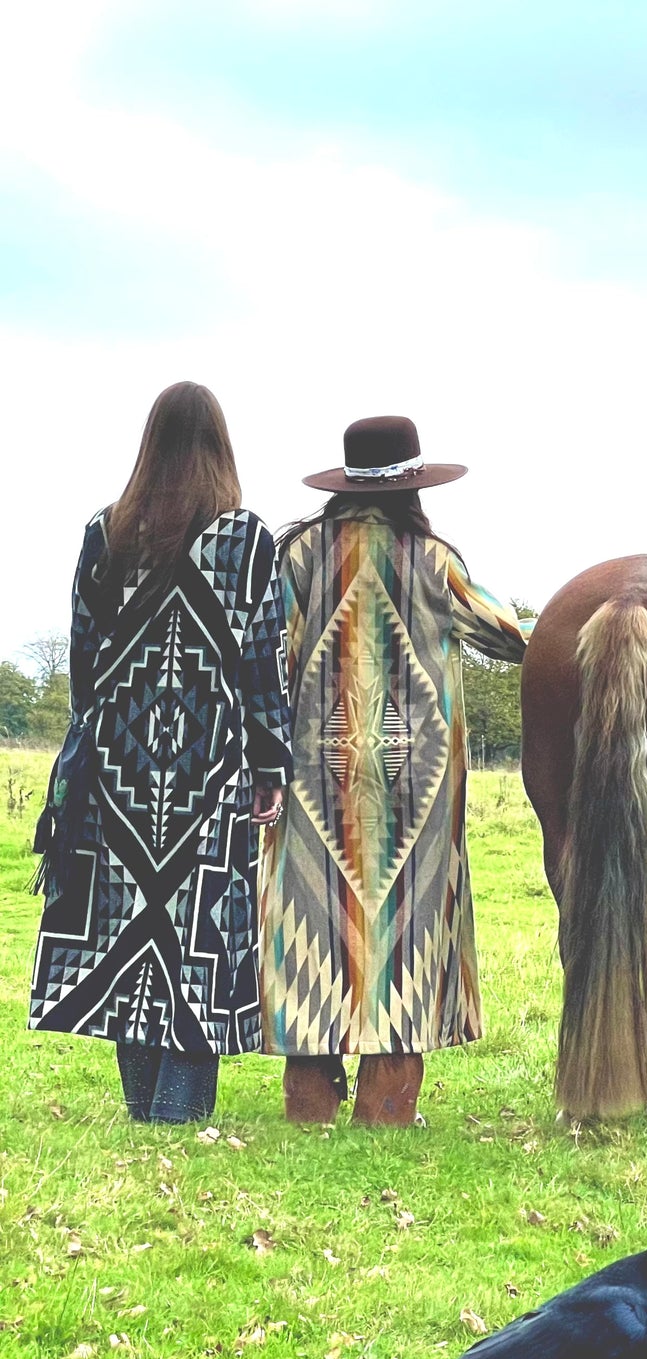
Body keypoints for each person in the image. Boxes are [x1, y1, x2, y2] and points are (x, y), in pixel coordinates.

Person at [29, 381, 292, 1124]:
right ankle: (177, 1110)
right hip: (210, 774)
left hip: (117, 771)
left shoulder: (105, 532)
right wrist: (270, 769)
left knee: (125, 930)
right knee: (195, 935)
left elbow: (84, 661)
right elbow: (262, 666)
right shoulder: (246, 540)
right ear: (220, 446)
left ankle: (146, 1104)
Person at [260, 416, 526, 1126]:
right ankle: (387, 1104)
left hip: (311, 782)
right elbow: (511, 637)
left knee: (310, 923)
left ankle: (308, 1098)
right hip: (421, 788)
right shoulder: (433, 558)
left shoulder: (300, 554)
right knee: (408, 934)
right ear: (413, 485)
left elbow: (262, 652)